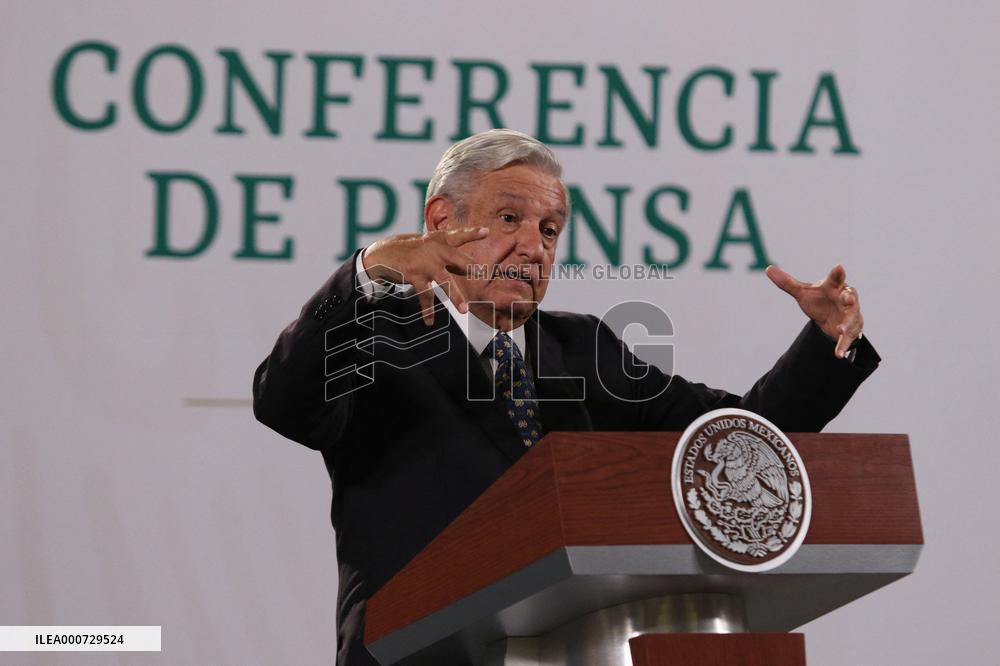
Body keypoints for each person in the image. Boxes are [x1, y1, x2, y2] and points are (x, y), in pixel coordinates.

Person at [252, 129, 878, 665]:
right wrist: (367, 273)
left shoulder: (585, 348)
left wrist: (826, 342)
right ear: (441, 221)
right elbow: (284, 402)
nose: (533, 246)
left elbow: (735, 441)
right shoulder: (376, 334)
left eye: (550, 229)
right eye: (509, 219)